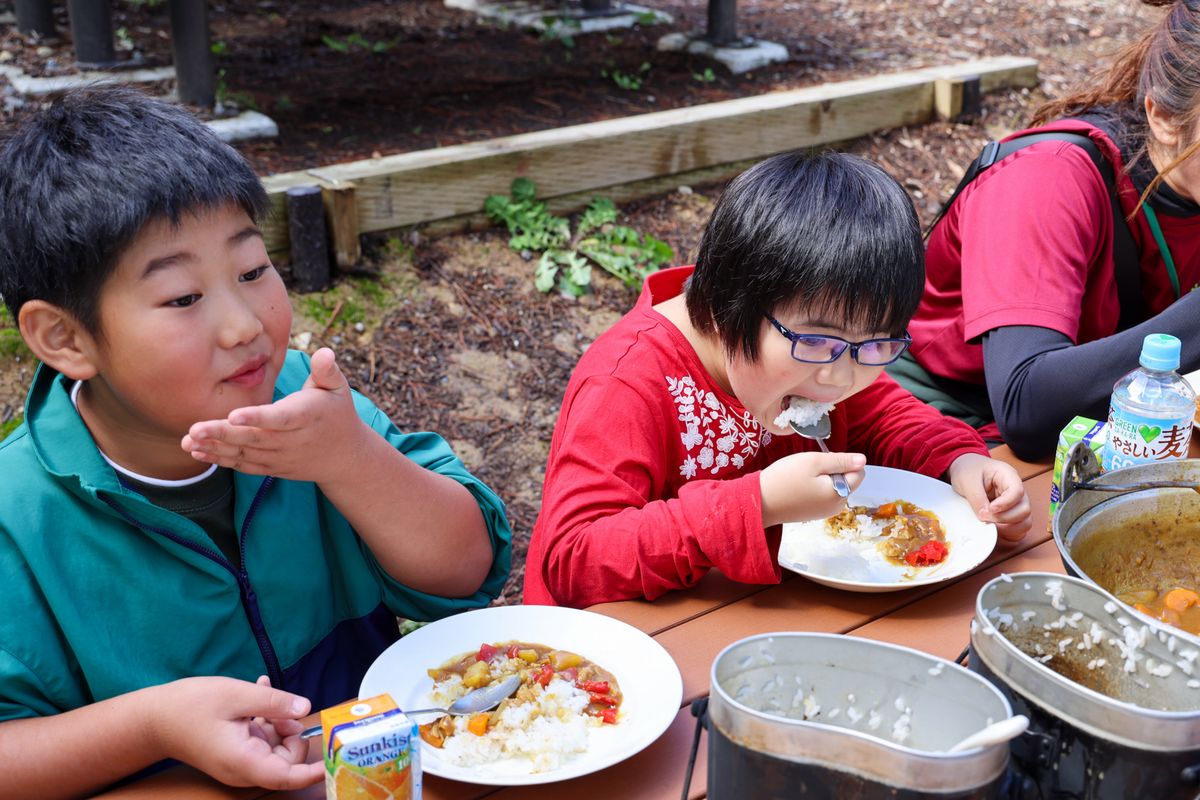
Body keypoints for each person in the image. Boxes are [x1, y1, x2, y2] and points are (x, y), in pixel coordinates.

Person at [0, 86, 512, 798]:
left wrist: (353, 461)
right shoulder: (18, 515)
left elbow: (465, 571)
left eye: (252, 270)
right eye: (183, 297)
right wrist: (153, 724)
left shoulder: (308, 408)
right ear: (65, 337)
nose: (244, 323)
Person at [524, 151, 1032, 609]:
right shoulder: (628, 380)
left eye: (876, 345)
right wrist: (758, 504)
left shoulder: (832, 360)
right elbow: (574, 560)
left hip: (777, 612)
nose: (839, 378)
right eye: (815, 341)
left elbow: (889, 417)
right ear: (731, 306)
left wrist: (959, 462)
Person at [890, 0, 1200, 460]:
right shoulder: (1046, 179)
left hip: (1115, 415)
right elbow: (1026, 407)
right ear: (1165, 118)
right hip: (943, 420)